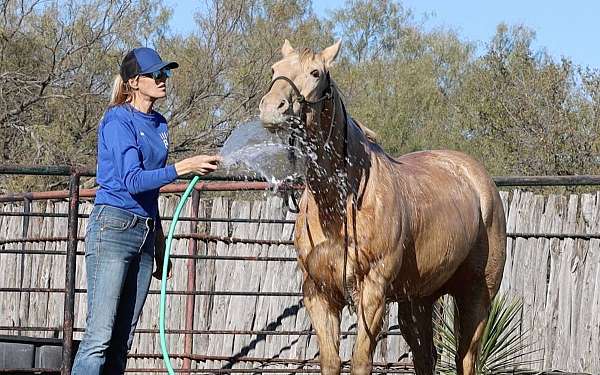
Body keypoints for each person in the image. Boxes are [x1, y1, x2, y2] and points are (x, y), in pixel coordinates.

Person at [71, 47, 221, 374]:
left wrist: (160, 239)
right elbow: (133, 180)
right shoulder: (117, 120)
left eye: (164, 73)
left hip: (144, 233)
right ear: (134, 82)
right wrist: (182, 167)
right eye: (156, 74)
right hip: (112, 228)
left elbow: (149, 192)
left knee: (123, 340)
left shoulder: (160, 124)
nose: (163, 79)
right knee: (99, 337)